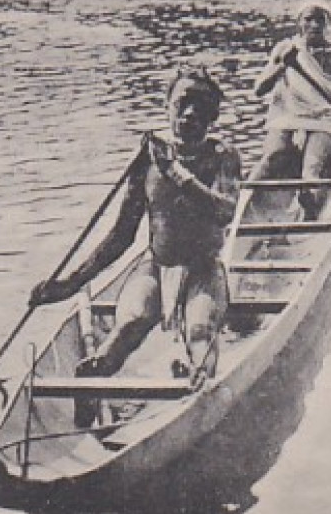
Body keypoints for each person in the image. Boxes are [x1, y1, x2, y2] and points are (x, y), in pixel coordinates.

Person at [30, 66, 241, 415]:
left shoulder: (222, 157)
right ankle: (94, 378)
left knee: (201, 329)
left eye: (201, 108)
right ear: (168, 106)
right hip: (156, 266)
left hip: (204, 269)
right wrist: (68, 284)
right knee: (131, 322)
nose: (190, 114)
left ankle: (196, 381)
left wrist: (176, 173)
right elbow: (120, 236)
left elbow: (225, 211)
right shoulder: (149, 160)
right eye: (183, 104)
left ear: (212, 117)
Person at [252, 0, 331, 220]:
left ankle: (311, 203)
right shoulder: (284, 50)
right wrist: (281, 66)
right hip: (288, 117)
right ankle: (246, 204)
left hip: (323, 119)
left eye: (320, 20)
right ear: (299, 23)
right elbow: (259, 89)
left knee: (312, 169)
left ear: (328, 24)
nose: (314, 25)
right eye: (309, 19)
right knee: (272, 158)